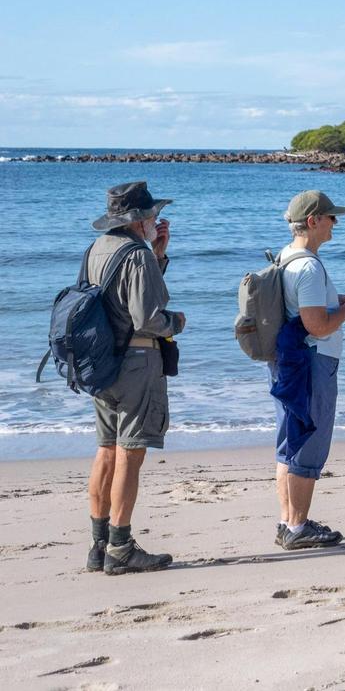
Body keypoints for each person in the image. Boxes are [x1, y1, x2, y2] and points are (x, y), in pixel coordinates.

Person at [85, 181, 186, 575]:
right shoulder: (137, 256)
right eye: (153, 216)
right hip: (137, 361)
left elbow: (117, 300)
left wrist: (158, 255)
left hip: (102, 362)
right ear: (140, 219)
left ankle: (99, 545)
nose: (156, 221)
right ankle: (122, 546)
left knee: (106, 449)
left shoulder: (98, 249)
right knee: (131, 452)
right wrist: (177, 321)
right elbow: (148, 318)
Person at [273, 190, 345, 550]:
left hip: (289, 362)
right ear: (312, 221)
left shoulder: (286, 257)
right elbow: (315, 325)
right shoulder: (309, 265)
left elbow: (302, 310)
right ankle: (298, 526)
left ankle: (287, 522)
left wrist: (333, 303)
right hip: (312, 362)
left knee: (289, 441)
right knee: (309, 441)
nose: (334, 223)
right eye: (329, 217)